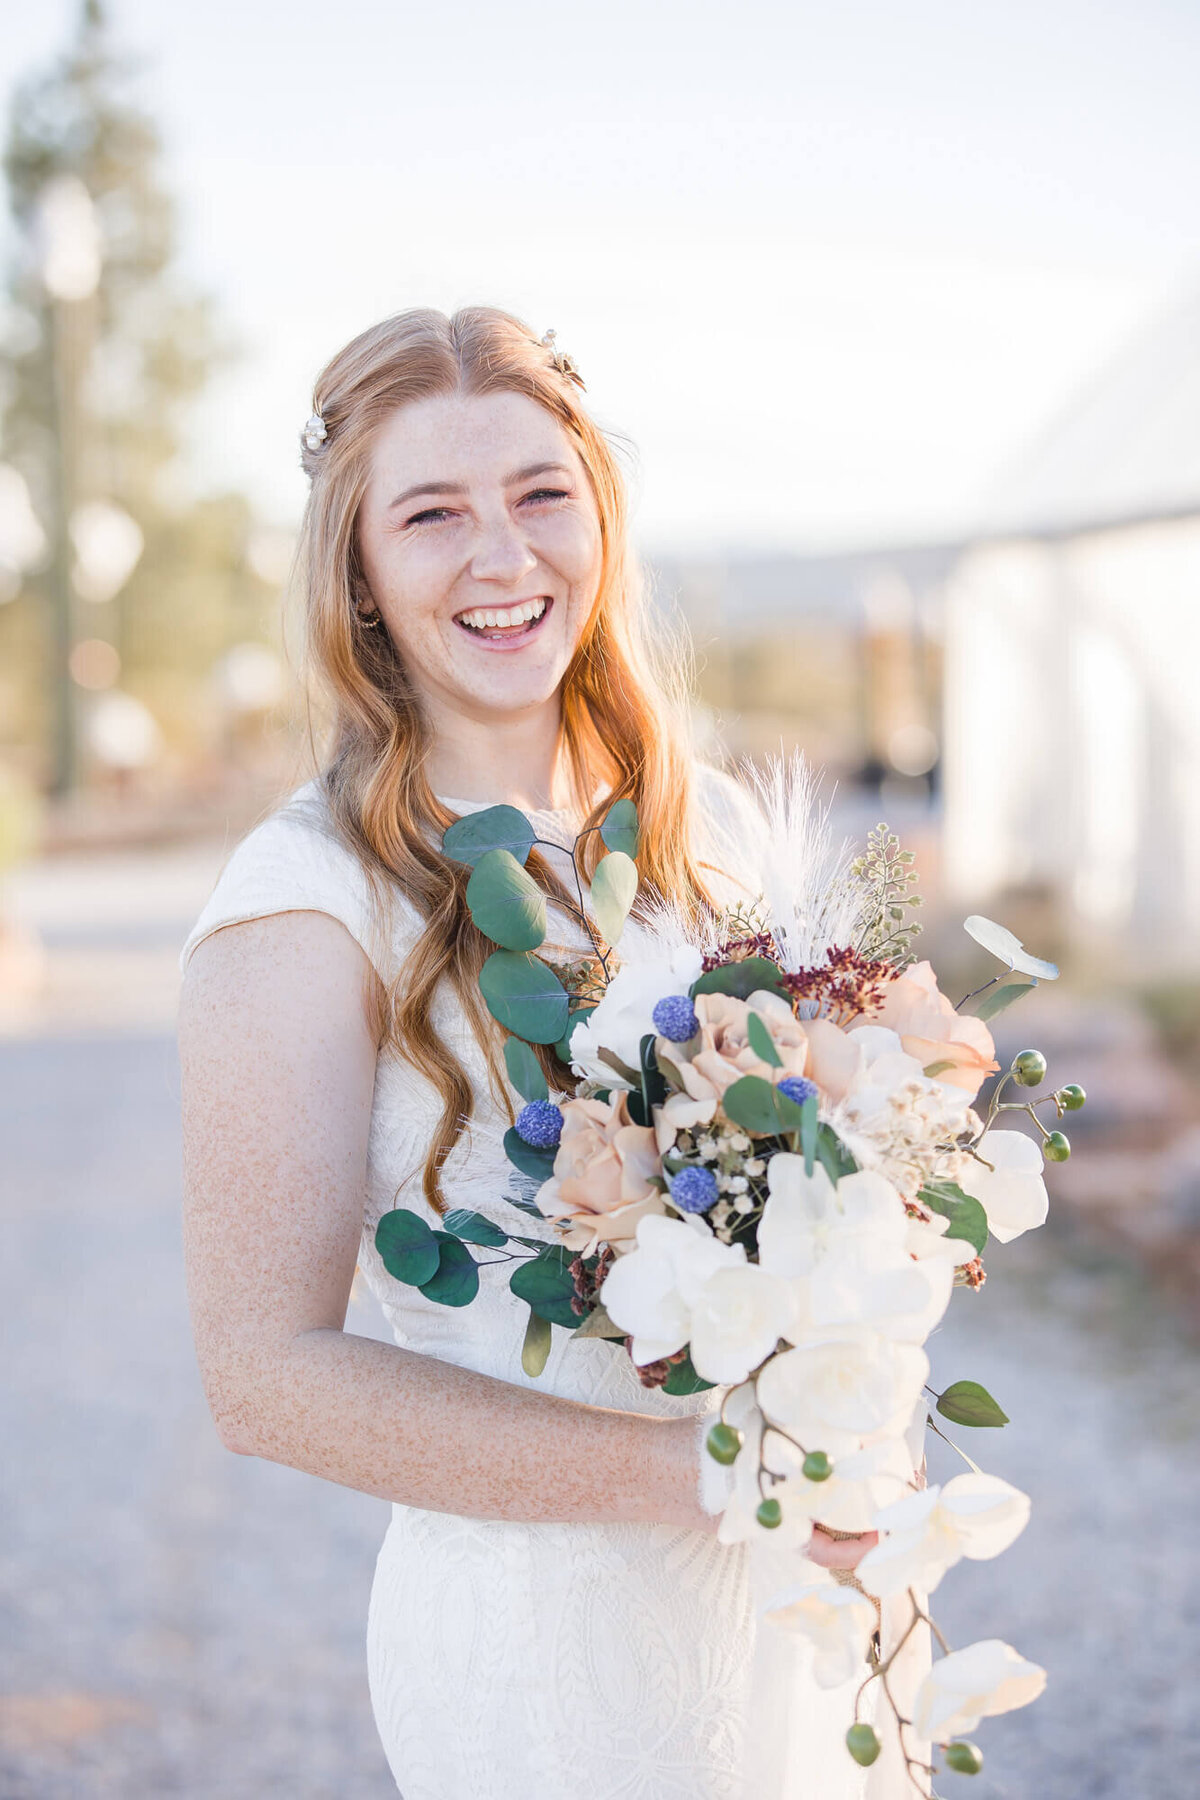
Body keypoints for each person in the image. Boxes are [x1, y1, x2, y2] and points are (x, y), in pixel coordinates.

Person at [177, 305, 922, 1799]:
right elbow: (265, 1378)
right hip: (546, 1657)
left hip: (806, 1596)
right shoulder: (304, 905)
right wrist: (703, 1479)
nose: (503, 558)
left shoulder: (711, 834)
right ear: (364, 576)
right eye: (432, 514)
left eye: (539, 494)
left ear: (601, 516)